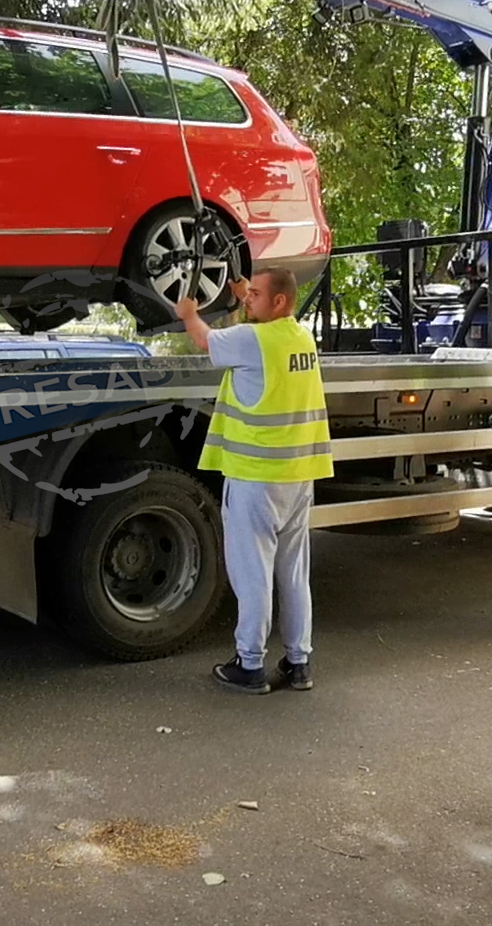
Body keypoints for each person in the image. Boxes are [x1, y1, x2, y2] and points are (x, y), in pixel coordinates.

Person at [177, 266, 334, 694]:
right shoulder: (300, 338)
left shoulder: (252, 340)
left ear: (279, 302)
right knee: (293, 573)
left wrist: (189, 312)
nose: (248, 300)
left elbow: (206, 340)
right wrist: (247, 293)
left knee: (253, 575)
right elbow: (264, 323)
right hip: (298, 477)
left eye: (256, 295)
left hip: (256, 479)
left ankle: (249, 665)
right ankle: (298, 662)